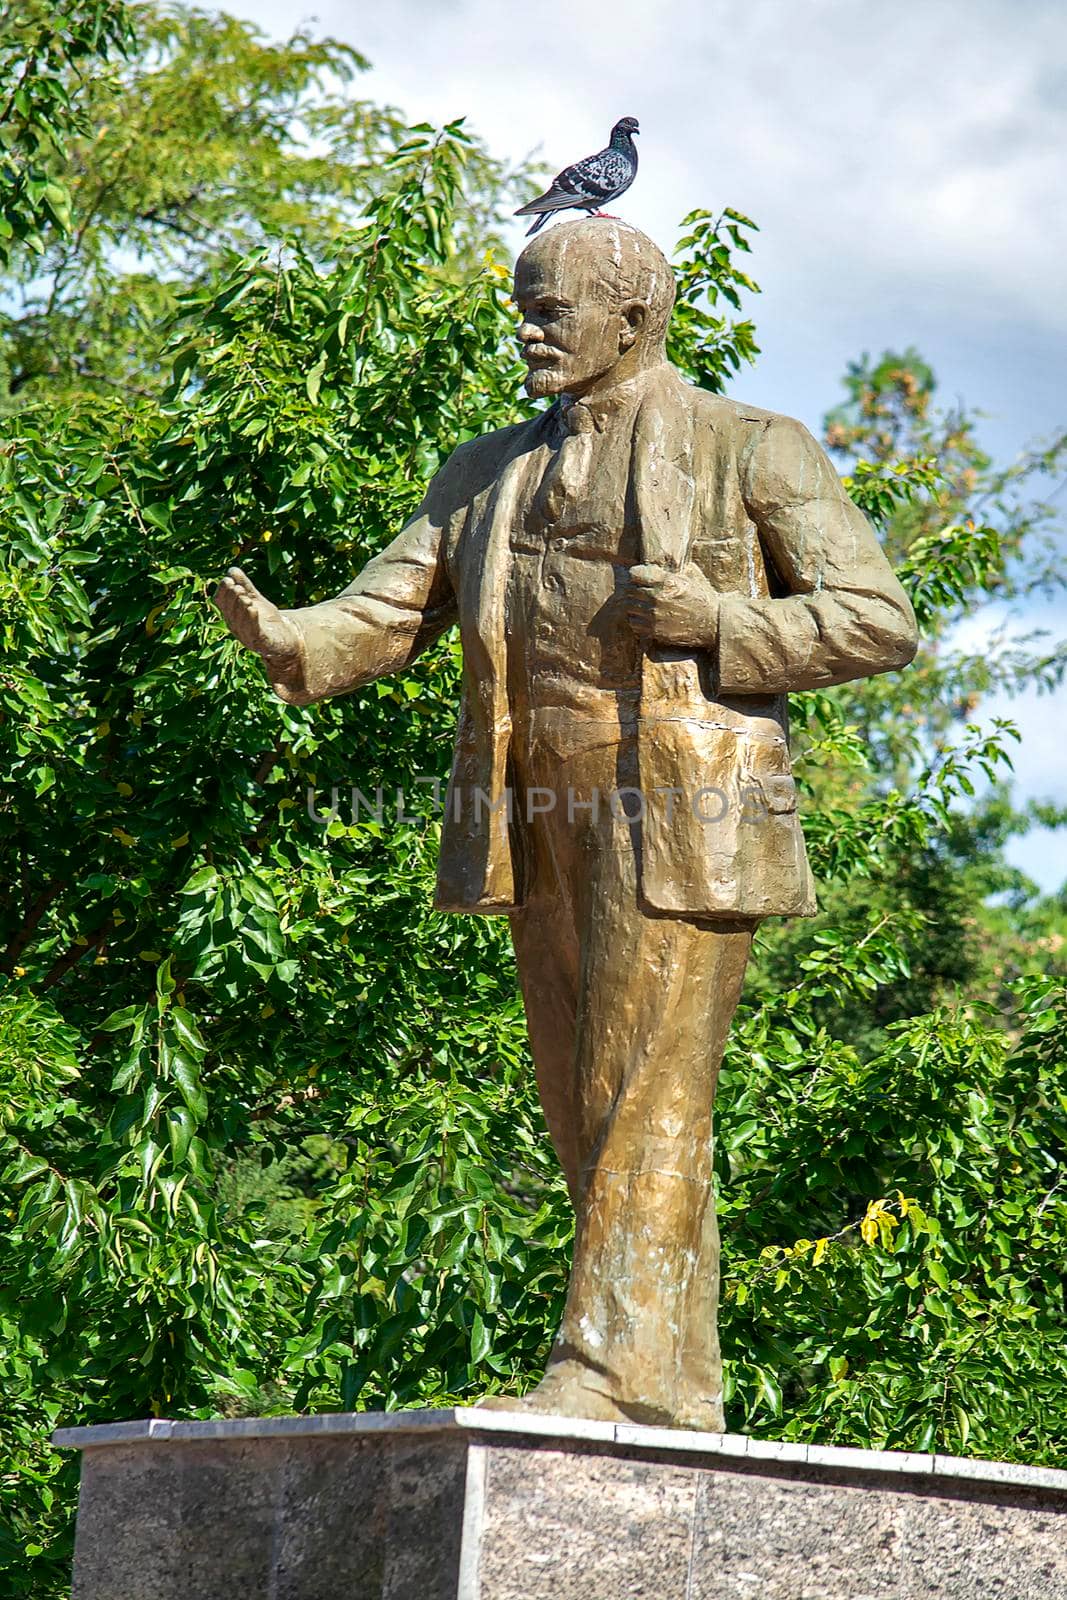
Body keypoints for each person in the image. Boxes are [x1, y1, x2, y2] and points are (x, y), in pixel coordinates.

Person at [214, 218, 917, 1428]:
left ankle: (599, 1369)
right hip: (532, 806)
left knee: (640, 1085)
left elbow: (875, 620)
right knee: (585, 1101)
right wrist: (296, 640)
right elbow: (386, 611)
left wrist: (717, 621)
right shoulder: (484, 466)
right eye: (521, 307)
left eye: (553, 310)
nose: (527, 330)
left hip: (682, 807)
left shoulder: (751, 445)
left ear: (636, 317)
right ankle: (671, 1383)